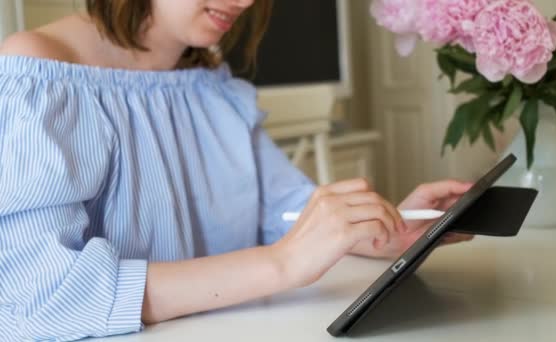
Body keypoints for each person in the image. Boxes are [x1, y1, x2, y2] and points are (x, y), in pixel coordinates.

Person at [0, 0, 472, 340]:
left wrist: (381, 227)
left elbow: (283, 210)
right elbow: (46, 294)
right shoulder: (36, 72)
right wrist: (281, 264)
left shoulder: (211, 84)